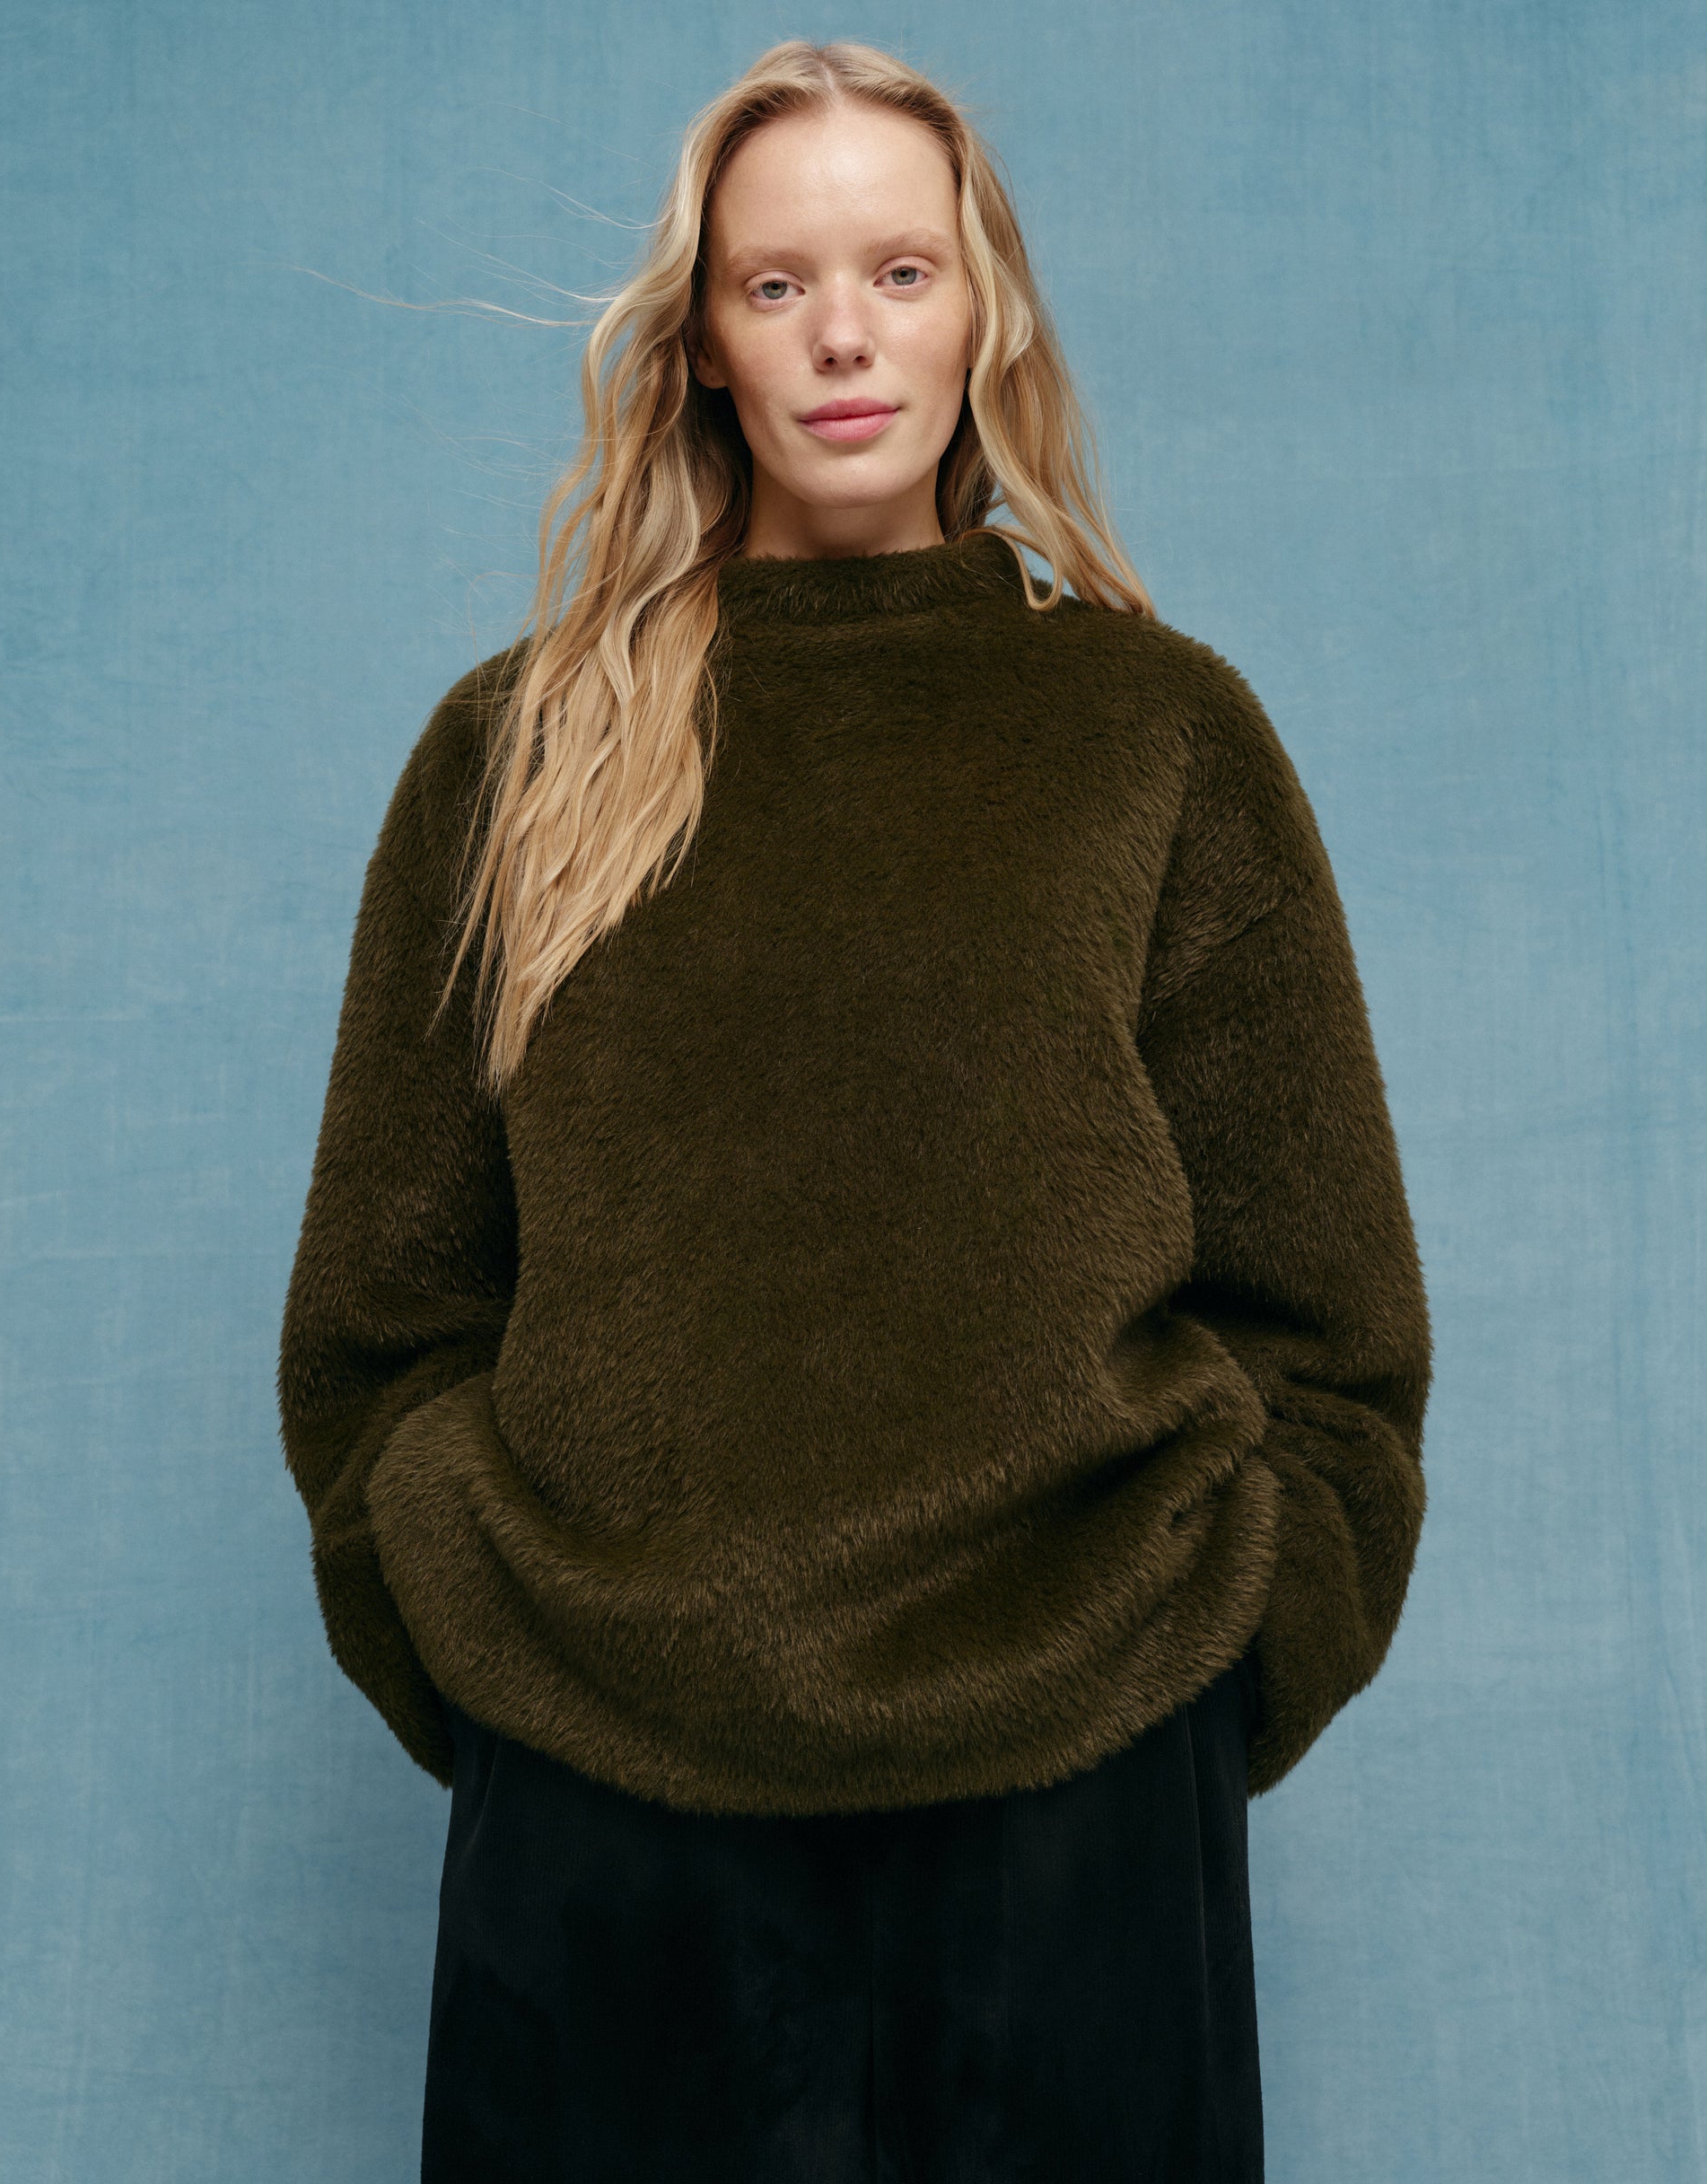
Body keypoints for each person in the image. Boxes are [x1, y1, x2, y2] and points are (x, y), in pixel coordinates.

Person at [277, 37, 1432, 2184]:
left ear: (983, 306)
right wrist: (488, 1632)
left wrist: (1209, 1662)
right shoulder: (516, 753)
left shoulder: (1153, 730)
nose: (841, 334)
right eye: (775, 282)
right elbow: (382, 1312)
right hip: (609, 1804)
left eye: (899, 270)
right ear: (701, 341)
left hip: (1078, 1788)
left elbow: (1330, 1305)